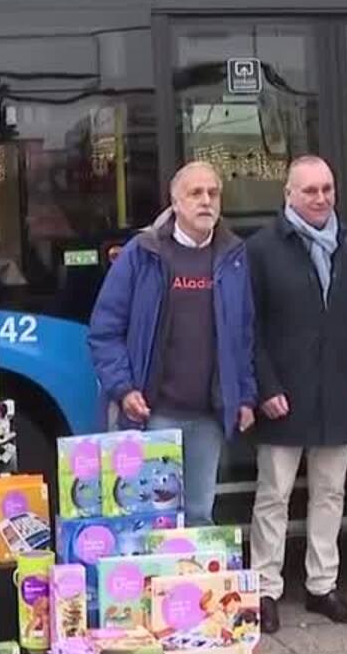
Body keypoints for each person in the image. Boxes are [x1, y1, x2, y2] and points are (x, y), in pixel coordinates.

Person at [87, 161, 256, 529]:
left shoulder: (233, 256)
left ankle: (192, 589)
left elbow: (241, 334)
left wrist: (243, 395)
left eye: (213, 193)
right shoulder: (142, 253)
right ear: (175, 202)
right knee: (146, 518)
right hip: (153, 412)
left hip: (208, 416)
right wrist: (124, 388)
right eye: (196, 193)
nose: (206, 201)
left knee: (198, 516)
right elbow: (104, 330)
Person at [245, 155, 347, 630]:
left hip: (338, 390)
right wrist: (265, 387)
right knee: (273, 495)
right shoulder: (260, 249)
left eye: (326, 189)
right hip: (282, 394)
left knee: (330, 493)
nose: (320, 199)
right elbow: (248, 327)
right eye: (309, 191)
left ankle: (323, 586)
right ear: (288, 194)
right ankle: (265, 589)